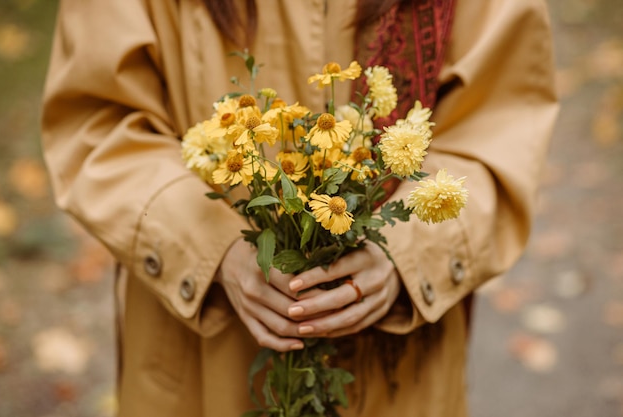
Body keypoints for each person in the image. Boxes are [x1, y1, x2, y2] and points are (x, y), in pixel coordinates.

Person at [41, 0, 558, 416]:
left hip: (397, 372)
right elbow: (97, 122)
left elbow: (501, 129)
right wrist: (211, 251)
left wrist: (404, 255)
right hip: (201, 363)